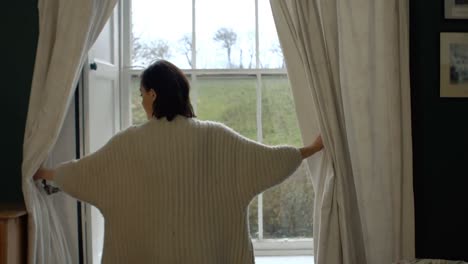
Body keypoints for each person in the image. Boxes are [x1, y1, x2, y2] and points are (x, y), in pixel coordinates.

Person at [34, 60, 323, 264]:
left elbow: (86, 173)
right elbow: (269, 160)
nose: (141, 103)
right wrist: (311, 148)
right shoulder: (217, 136)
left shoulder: (128, 143)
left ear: (153, 93)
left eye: (142, 95)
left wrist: (43, 171)